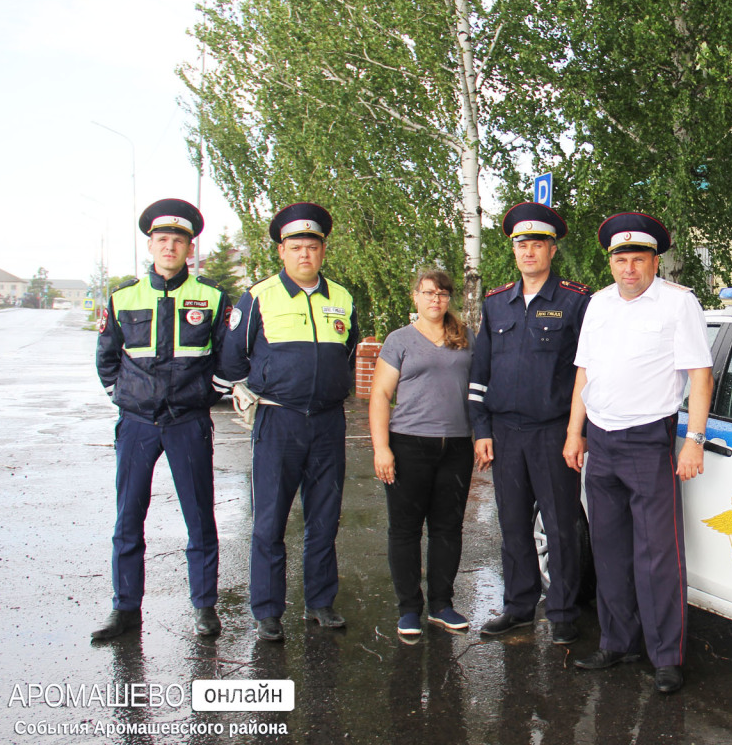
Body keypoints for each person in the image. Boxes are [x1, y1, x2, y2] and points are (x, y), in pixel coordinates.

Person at [562, 211, 714, 694]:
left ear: (655, 262)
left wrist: (694, 439)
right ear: (611, 263)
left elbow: (699, 375)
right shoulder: (599, 305)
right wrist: (574, 432)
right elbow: (584, 373)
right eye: (621, 259)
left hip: (649, 441)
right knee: (609, 552)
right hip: (601, 441)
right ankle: (616, 641)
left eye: (639, 259)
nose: (629, 268)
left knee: (657, 557)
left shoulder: (678, 304)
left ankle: (666, 656)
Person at [219, 202, 360, 642]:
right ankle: (267, 609)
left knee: (324, 517)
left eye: (312, 247)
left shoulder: (342, 297)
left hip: (327, 423)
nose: (305, 255)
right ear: (282, 252)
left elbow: (349, 351)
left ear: (322, 252)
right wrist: (256, 390)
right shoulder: (259, 297)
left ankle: (319, 602)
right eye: (296, 247)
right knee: (271, 519)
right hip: (278, 423)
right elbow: (231, 358)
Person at [93, 198, 230, 640]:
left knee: (199, 517)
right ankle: (125, 610)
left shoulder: (211, 297)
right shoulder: (123, 297)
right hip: (137, 424)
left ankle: (205, 606)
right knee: (128, 518)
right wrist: (126, 398)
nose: (170, 247)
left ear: (190, 248)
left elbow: (225, 357)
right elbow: (107, 358)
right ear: (150, 245)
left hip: (188, 422)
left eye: (179, 240)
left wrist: (208, 396)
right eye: (162, 239)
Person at [469, 202, 592, 645]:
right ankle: (519, 606)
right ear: (514, 250)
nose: (528, 252)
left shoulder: (577, 302)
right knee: (514, 525)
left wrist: (579, 434)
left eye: (537, 244)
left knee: (561, 527)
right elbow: (478, 375)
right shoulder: (496, 304)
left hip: (554, 433)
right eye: (521, 244)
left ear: (551, 250)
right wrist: (481, 430)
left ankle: (561, 612)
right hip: (504, 435)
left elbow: (588, 372)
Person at [370, 268, 475, 636]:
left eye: (443, 294)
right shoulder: (399, 340)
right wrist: (382, 448)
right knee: (405, 530)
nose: (436, 299)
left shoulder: (465, 337)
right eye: (429, 293)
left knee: (448, 528)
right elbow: (381, 395)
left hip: (457, 445)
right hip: (408, 444)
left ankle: (441, 604)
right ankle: (409, 609)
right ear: (415, 297)